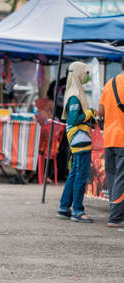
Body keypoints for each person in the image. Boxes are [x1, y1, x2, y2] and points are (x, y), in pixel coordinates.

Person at [57, 62, 95, 223]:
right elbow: (73, 119)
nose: (87, 76)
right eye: (85, 73)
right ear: (79, 73)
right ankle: (78, 211)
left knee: (74, 173)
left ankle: (64, 207)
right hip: (80, 138)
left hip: (76, 138)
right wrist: (89, 113)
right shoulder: (75, 94)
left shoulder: (74, 91)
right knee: (81, 174)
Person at [98, 58, 124, 228]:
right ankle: (115, 218)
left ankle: (115, 210)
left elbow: (100, 113)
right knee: (121, 178)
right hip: (123, 138)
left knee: (114, 177)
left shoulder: (109, 84)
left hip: (109, 138)